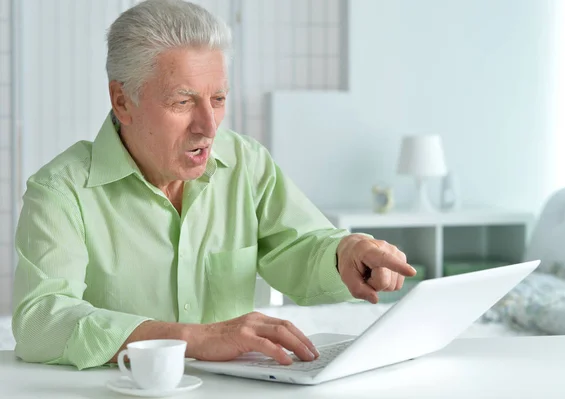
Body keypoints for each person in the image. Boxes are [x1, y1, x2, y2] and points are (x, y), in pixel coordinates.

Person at [11, 0, 415, 370]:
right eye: (183, 102)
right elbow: (41, 322)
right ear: (122, 101)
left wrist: (345, 253)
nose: (208, 127)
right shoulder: (61, 190)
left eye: (218, 98)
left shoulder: (246, 162)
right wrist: (190, 338)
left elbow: (299, 247)